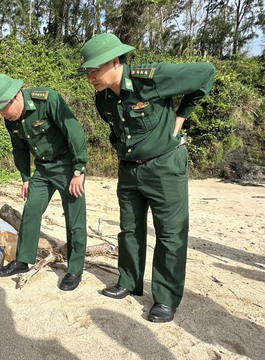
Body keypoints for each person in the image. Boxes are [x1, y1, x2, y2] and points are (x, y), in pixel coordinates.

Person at [77, 33, 215, 322]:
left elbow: (206, 74)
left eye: (93, 69)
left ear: (115, 61)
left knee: (170, 233)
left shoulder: (152, 78)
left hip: (165, 166)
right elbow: (117, 131)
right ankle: (128, 281)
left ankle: (165, 299)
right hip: (129, 169)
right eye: (87, 71)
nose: (89, 76)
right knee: (129, 229)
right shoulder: (102, 99)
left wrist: (181, 116)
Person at [0, 74, 88, 291]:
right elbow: (19, 149)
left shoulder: (47, 99)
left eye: (3, 109)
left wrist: (79, 169)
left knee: (74, 218)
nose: (3, 115)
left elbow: (74, 131)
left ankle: (75, 269)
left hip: (67, 165)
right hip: (42, 168)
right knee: (31, 210)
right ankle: (23, 260)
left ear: (14, 98)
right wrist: (26, 178)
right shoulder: (10, 119)